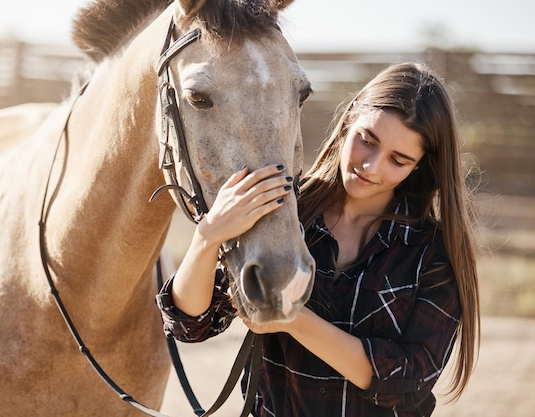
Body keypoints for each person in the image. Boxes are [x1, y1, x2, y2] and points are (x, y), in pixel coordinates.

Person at [156, 62, 480, 416]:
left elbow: (409, 380)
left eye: (398, 160)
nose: (371, 166)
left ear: (420, 165)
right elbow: (191, 324)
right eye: (367, 140)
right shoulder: (282, 210)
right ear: (349, 119)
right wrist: (208, 235)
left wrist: (291, 319)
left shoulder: (433, 252)